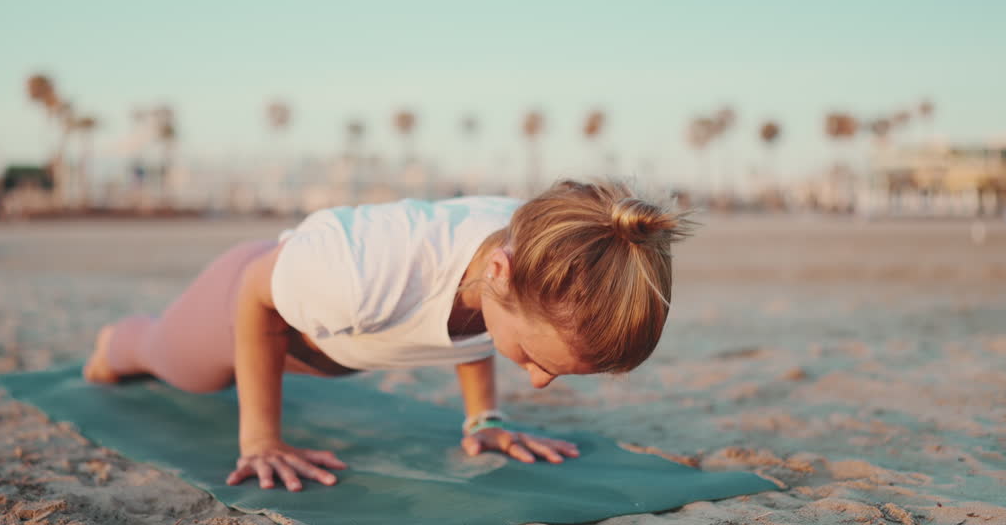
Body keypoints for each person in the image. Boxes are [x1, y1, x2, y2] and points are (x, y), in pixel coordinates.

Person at [83, 179, 692, 492]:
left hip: (334, 340)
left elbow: (480, 321)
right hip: (243, 308)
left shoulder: (524, 257)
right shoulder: (359, 271)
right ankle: (113, 346)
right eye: (535, 358)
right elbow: (253, 291)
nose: (535, 378)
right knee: (175, 365)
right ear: (499, 274)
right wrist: (262, 438)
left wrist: (485, 418)